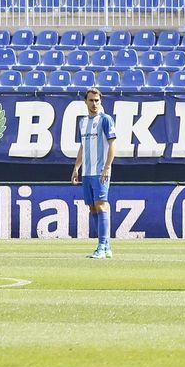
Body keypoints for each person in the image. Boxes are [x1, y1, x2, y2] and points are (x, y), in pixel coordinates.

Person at [70, 88, 118, 259]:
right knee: (92, 207)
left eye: (97, 100)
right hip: (87, 172)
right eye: (91, 100)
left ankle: (101, 246)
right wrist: (76, 167)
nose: (94, 104)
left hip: (100, 171)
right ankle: (106, 245)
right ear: (85, 101)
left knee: (101, 205)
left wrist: (107, 167)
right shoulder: (83, 122)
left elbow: (112, 144)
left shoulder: (105, 120)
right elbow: (83, 146)